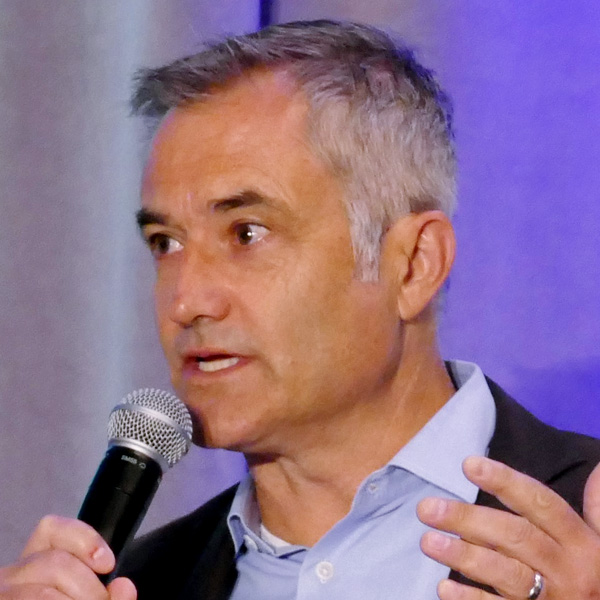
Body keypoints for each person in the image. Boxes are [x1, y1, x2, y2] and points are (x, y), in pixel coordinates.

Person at [2, 19, 600, 600]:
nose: (185, 301)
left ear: (414, 264)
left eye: (246, 233)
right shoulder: (139, 582)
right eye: (166, 243)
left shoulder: (586, 532)